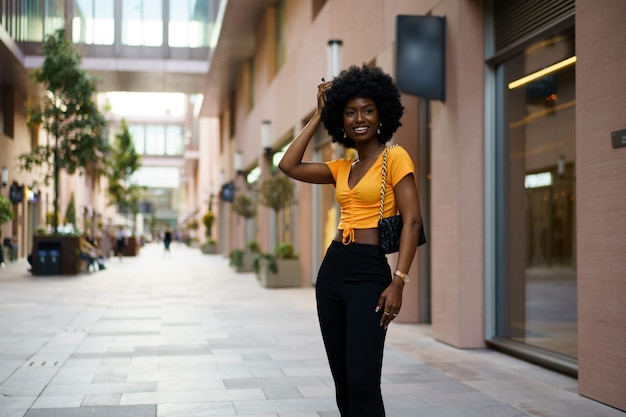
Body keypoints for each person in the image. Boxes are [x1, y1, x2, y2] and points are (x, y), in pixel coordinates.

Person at [278, 65, 423, 417]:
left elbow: (413, 220)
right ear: (340, 120)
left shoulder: (395, 156)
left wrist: (399, 280)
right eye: (350, 112)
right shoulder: (341, 167)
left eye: (368, 110)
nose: (360, 118)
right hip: (334, 270)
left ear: (381, 114)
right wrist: (318, 114)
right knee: (342, 378)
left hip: (369, 272)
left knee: (363, 379)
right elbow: (288, 164)